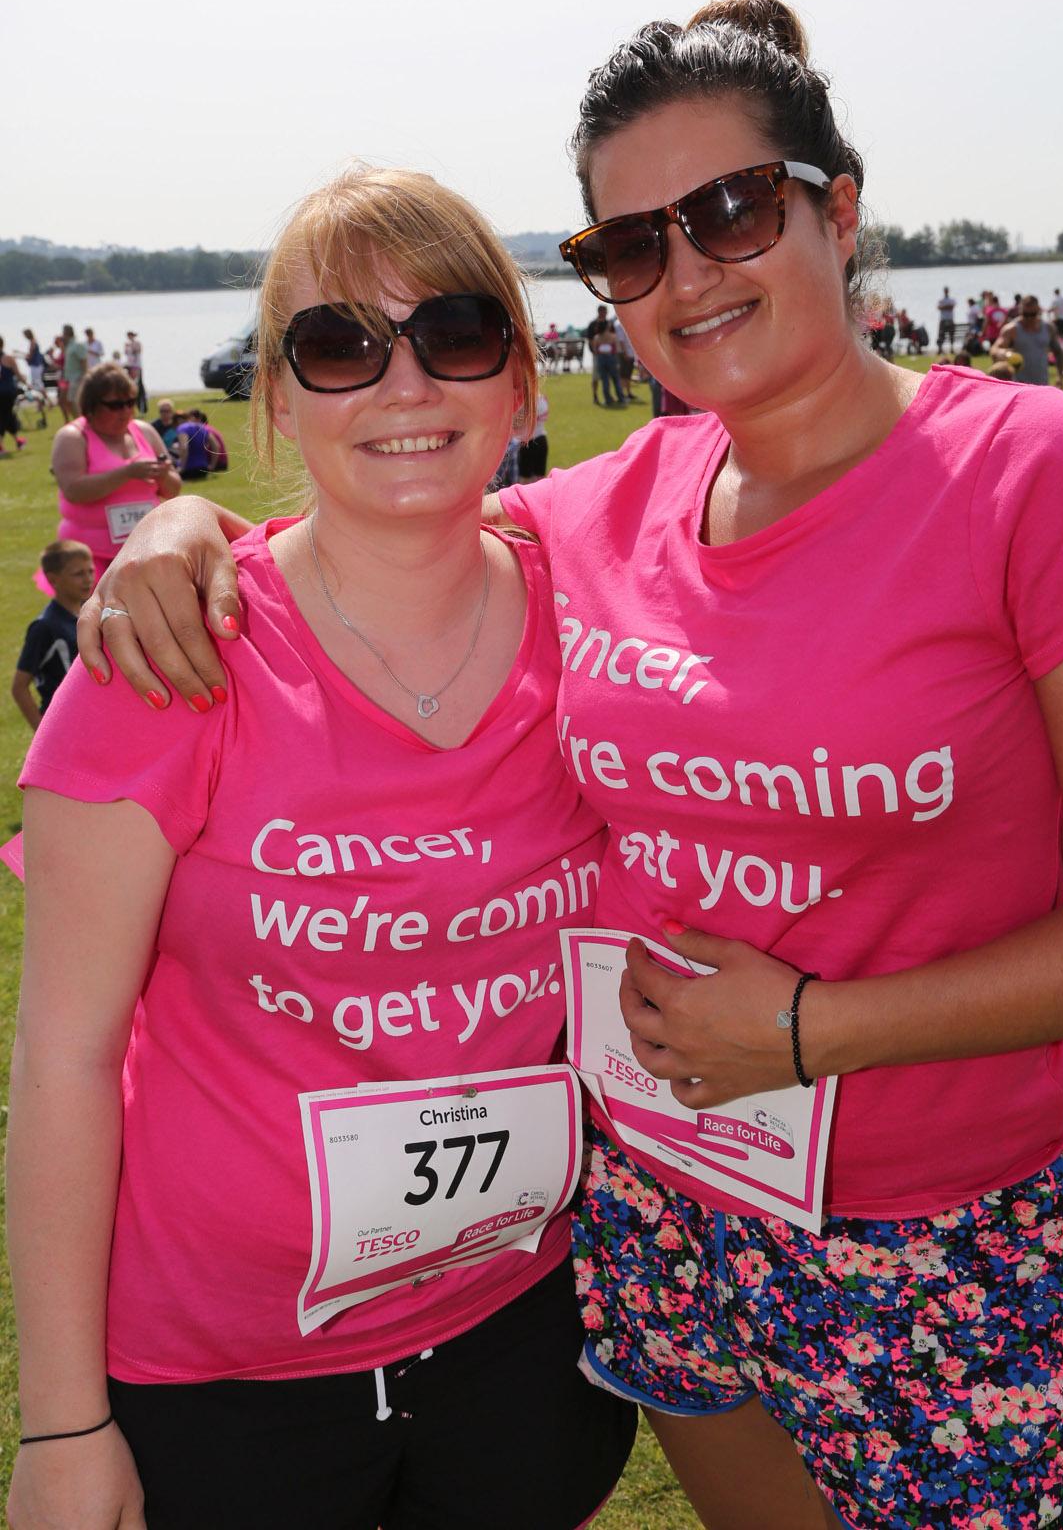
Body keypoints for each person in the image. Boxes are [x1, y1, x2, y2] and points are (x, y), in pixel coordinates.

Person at [80, 0, 1063, 1530]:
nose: (687, 272)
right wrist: (178, 526)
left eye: (733, 211)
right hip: (660, 1207)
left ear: (841, 210)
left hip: (944, 1221)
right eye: (630, 244)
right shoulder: (599, 511)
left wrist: (815, 1027)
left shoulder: (1035, 474)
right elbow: (377, 515)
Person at [8, 167, 635, 1530]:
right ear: (279, 401)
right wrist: (61, 1423)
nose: (403, 386)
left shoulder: (600, 620)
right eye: (340, 346)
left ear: (521, 383)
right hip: (227, 1380)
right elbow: (63, 1056)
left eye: (457, 334)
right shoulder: (165, 658)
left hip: (523, 1331)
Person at [47, 363, 181, 586]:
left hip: (147, 549)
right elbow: (73, 491)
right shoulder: (72, 437)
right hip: (91, 557)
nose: (125, 411)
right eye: (115, 405)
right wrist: (127, 473)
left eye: (130, 403)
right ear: (91, 406)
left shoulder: (144, 431)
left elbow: (173, 489)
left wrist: (163, 475)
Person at [11, 541, 95, 728]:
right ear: (53, 579)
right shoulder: (44, 627)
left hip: (92, 717)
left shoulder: (90, 613)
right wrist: (41, 730)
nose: (88, 579)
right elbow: (19, 687)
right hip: (64, 723)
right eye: (78, 574)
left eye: (90, 571)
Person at [993, 295, 1060, 386]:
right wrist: (1005, 354)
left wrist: (1060, 377)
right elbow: (995, 349)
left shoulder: (1048, 328)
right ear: (1020, 311)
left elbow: (1059, 352)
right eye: (1025, 314)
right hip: (1018, 386)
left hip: (1042, 386)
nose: (1029, 318)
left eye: (1032, 314)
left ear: (1038, 311)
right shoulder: (1011, 329)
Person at [0, 336, 26, 455]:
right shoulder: (9, 359)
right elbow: (19, 375)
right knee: (7, 416)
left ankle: (11, 443)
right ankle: (16, 441)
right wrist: (27, 384)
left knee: (5, 416)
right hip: (9, 392)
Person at [61, 324, 87, 418]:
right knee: (67, 401)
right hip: (69, 378)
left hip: (77, 378)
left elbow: (84, 362)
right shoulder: (69, 345)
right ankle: (79, 420)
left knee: (72, 401)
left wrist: (84, 377)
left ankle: (81, 421)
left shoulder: (77, 345)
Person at [123, 330, 147, 413]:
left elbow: (137, 351)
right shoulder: (127, 344)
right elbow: (126, 353)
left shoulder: (137, 343)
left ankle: (142, 406)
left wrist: (132, 346)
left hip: (137, 366)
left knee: (139, 385)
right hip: (130, 366)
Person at [935, 286, 955, 350]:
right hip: (943, 319)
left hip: (949, 319)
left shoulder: (951, 299)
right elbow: (939, 308)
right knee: (941, 334)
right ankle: (940, 349)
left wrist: (943, 307)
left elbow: (951, 307)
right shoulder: (942, 300)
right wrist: (947, 306)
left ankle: (951, 348)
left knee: (951, 334)